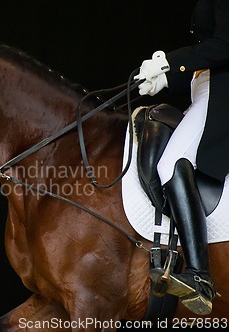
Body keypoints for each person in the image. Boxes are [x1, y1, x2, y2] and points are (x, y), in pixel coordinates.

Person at [134, 0, 229, 315]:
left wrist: (171, 64)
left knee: (172, 162)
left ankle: (200, 278)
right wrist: (167, 78)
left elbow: (225, 44)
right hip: (203, 89)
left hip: (222, 94)